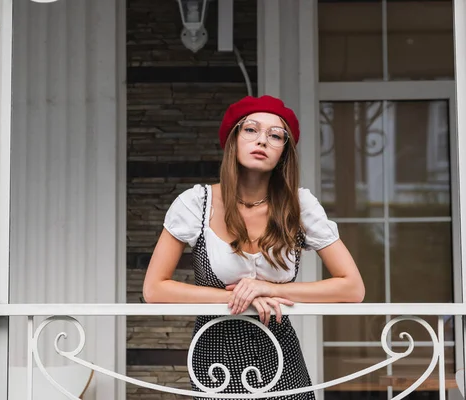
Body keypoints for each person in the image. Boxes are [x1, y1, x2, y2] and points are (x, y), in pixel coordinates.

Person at [142, 95, 365, 399]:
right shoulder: (196, 202)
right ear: (233, 140)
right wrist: (236, 295)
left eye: (275, 136)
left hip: (279, 351)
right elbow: (154, 289)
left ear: (284, 152)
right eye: (251, 130)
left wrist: (268, 289)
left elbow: (352, 288)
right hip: (215, 353)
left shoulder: (300, 205)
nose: (262, 140)